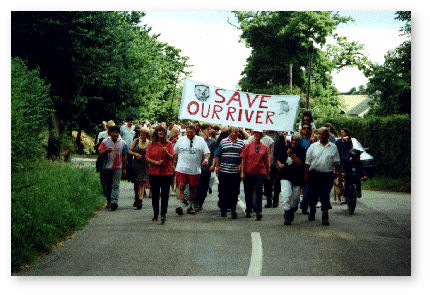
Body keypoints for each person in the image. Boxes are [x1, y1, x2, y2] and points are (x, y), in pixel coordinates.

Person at [304, 127, 340, 226]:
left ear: (328, 135)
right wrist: (306, 174)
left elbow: (337, 162)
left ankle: (325, 214)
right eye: (319, 134)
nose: (321, 136)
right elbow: (307, 162)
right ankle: (312, 210)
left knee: (325, 194)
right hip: (314, 174)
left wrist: (338, 175)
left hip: (327, 175)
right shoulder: (313, 146)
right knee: (313, 194)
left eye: (323, 134)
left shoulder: (333, 147)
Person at [174, 125, 210, 215]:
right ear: (186, 131)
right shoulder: (180, 140)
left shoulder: (200, 140)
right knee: (181, 186)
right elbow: (174, 153)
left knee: (192, 188)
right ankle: (179, 206)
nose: (189, 134)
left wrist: (206, 159)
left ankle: (190, 206)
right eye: (188, 132)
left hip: (194, 170)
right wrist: (172, 164)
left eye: (191, 132)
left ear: (195, 132)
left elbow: (207, 152)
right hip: (181, 168)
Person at [145, 125, 175, 224]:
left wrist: (166, 152)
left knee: (165, 194)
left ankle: (163, 214)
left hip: (166, 172)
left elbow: (172, 158)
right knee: (155, 194)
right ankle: (155, 214)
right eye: (159, 131)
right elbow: (147, 157)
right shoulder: (151, 144)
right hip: (154, 172)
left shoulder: (169, 144)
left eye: (163, 131)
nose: (161, 133)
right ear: (156, 133)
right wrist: (156, 163)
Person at [214, 126, 245, 219]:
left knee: (235, 191)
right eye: (235, 132)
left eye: (238, 132)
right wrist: (217, 166)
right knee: (223, 190)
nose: (237, 134)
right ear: (230, 133)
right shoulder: (223, 142)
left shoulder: (241, 143)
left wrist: (241, 166)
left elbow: (243, 157)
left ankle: (233, 210)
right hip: (224, 171)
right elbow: (217, 155)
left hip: (235, 172)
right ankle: (223, 210)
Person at [240, 129, 270, 220]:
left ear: (261, 136)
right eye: (255, 133)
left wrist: (268, 173)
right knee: (248, 191)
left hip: (260, 172)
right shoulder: (248, 146)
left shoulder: (264, 147)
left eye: (259, 134)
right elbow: (243, 159)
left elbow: (266, 162)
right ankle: (248, 209)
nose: (257, 135)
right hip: (248, 172)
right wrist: (242, 172)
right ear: (253, 135)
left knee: (258, 191)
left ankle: (258, 211)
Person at [98, 125, 129, 211]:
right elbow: (100, 152)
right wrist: (106, 151)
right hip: (107, 167)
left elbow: (125, 155)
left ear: (119, 133)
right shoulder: (105, 141)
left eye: (117, 132)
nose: (115, 134)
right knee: (108, 185)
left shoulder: (123, 143)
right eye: (113, 132)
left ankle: (114, 202)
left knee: (116, 185)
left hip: (118, 167)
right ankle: (109, 201)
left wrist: (124, 168)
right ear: (110, 133)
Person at [277, 132, 306, 225]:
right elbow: (278, 159)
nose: (294, 142)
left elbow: (300, 163)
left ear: (299, 141)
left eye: (296, 140)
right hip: (285, 175)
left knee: (296, 197)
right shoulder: (285, 148)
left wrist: (292, 155)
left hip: (297, 176)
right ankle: (287, 213)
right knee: (286, 195)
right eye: (293, 140)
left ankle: (293, 208)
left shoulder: (302, 150)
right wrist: (280, 164)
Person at [195, 124, 217, 211]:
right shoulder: (198, 140)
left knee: (204, 186)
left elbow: (215, 154)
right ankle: (195, 201)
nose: (209, 130)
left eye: (210, 129)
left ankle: (200, 202)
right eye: (207, 129)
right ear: (202, 130)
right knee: (197, 185)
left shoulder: (213, 141)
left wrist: (213, 165)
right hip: (196, 166)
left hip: (207, 167)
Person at [129, 127, 151, 210]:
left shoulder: (150, 143)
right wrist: (135, 154)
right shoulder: (136, 141)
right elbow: (129, 151)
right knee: (136, 183)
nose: (142, 136)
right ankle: (136, 197)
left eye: (144, 135)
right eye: (141, 135)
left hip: (145, 165)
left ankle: (140, 201)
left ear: (147, 135)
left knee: (142, 183)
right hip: (136, 164)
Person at [263, 130, 286, 208]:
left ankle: (276, 199)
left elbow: (283, 149)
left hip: (276, 162)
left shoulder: (280, 136)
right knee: (267, 182)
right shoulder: (263, 135)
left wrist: (280, 161)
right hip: (266, 162)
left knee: (277, 182)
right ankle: (269, 200)